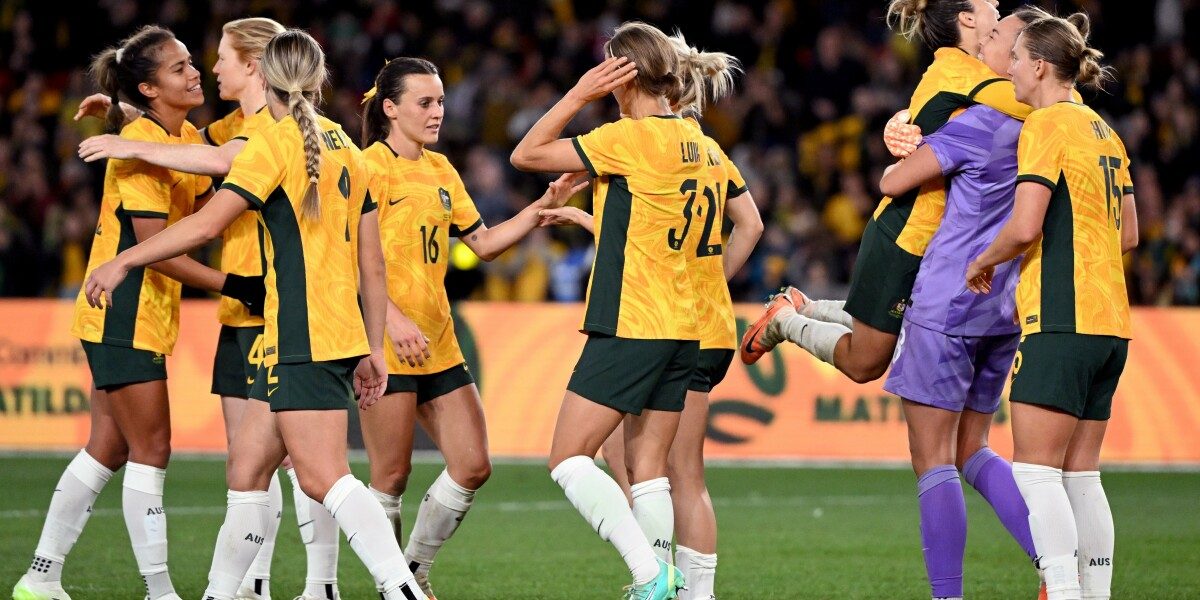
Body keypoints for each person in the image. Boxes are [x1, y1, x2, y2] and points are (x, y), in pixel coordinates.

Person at [80, 29, 429, 600]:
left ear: (263, 76)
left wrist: (125, 262)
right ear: (317, 80)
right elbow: (373, 267)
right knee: (247, 473)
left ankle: (400, 588)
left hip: (299, 333)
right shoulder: (345, 144)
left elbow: (205, 225)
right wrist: (371, 347)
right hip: (327, 331)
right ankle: (222, 595)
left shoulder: (274, 143)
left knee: (323, 476)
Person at [13, 25, 261, 600]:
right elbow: (158, 252)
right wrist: (236, 285)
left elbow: (208, 165)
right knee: (152, 450)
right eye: (179, 69)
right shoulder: (136, 156)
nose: (195, 72)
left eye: (191, 63)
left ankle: (39, 577)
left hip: (137, 312)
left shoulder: (177, 135)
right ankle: (159, 590)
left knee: (109, 447)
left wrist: (122, 112)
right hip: (122, 309)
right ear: (151, 89)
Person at [510, 20, 734, 599]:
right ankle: (667, 589)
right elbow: (660, 228)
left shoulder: (625, 139)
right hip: (687, 326)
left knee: (568, 459)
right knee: (650, 470)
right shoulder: (704, 148)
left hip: (633, 321)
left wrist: (576, 95)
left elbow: (526, 152)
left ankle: (650, 573)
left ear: (620, 77)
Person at [357, 56, 587, 599]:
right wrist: (392, 319)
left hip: (438, 341)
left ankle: (411, 569)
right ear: (390, 108)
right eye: (425, 102)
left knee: (473, 465)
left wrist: (542, 206)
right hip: (384, 343)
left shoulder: (440, 170)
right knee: (389, 478)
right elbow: (345, 258)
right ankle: (394, 590)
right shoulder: (365, 167)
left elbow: (481, 244)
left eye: (440, 101)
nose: (438, 111)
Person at [743, 0, 1030, 383]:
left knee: (894, 328)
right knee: (866, 363)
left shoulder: (964, 71)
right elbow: (1041, 102)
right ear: (966, 18)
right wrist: (1074, 90)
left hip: (936, 239)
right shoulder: (960, 72)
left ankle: (806, 307)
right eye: (986, 2)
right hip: (905, 234)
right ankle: (785, 321)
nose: (996, 3)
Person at [873, 8, 1054, 599]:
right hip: (1005, 308)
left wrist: (910, 135)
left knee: (934, 461)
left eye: (1000, 36)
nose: (989, 39)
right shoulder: (1049, 130)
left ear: (1017, 58)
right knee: (974, 449)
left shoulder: (979, 123)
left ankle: (947, 597)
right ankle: (1057, 573)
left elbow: (892, 183)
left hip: (949, 299)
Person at [966, 12, 1135, 600]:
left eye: (1015, 57)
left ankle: (1063, 592)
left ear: (1039, 65)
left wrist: (982, 261)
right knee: (1081, 474)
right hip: (1111, 322)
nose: (1008, 66)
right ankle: (1095, 593)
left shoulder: (1046, 126)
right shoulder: (1103, 131)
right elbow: (1130, 233)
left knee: (1036, 471)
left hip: (1062, 320)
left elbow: (1024, 224)